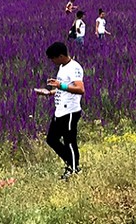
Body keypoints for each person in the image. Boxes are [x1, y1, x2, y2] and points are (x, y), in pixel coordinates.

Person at [36, 42, 85, 180]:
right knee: (51, 139)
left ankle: (74, 169)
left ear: (61, 56)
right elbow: (64, 87)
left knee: (70, 141)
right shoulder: (62, 67)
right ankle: (71, 163)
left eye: (53, 58)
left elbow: (80, 89)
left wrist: (60, 85)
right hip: (60, 111)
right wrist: (50, 93)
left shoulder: (74, 68)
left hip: (70, 112)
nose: (52, 61)